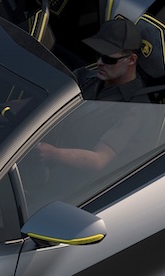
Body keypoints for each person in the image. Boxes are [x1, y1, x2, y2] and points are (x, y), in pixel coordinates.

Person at [35, 16, 152, 171]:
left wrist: (53, 154)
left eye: (108, 59)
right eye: (98, 55)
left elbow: (99, 160)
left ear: (131, 59)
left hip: (79, 183)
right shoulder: (86, 76)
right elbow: (46, 101)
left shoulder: (135, 109)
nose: (99, 63)